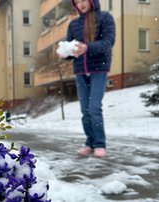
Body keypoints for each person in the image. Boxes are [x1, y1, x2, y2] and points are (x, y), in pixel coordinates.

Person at [60, 0, 115, 157]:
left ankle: (100, 144)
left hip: (99, 68)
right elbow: (71, 48)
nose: (81, 4)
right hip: (80, 71)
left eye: (83, 0)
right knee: (85, 110)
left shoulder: (105, 18)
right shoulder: (73, 24)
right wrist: (65, 52)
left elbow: (108, 43)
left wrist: (87, 48)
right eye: (77, 2)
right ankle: (90, 142)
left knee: (94, 107)